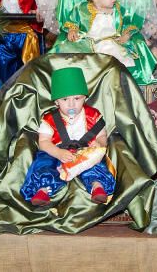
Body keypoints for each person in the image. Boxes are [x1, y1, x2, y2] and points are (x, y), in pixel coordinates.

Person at [21, 67, 114, 206]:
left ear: (85, 98)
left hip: (85, 151)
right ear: (56, 102)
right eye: (65, 99)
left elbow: (102, 136)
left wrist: (99, 144)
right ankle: (42, 190)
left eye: (77, 98)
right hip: (56, 151)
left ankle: (97, 187)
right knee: (44, 164)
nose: (71, 104)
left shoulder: (93, 115)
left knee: (96, 165)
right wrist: (57, 153)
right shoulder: (50, 119)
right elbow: (43, 142)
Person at [50, 0, 157, 85]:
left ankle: (113, 80)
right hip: (88, 44)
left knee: (117, 61)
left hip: (112, 43)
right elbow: (71, 21)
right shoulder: (81, 9)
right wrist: (72, 29)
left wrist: (127, 34)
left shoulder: (118, 10)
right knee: (68, 52)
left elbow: (130, 22)